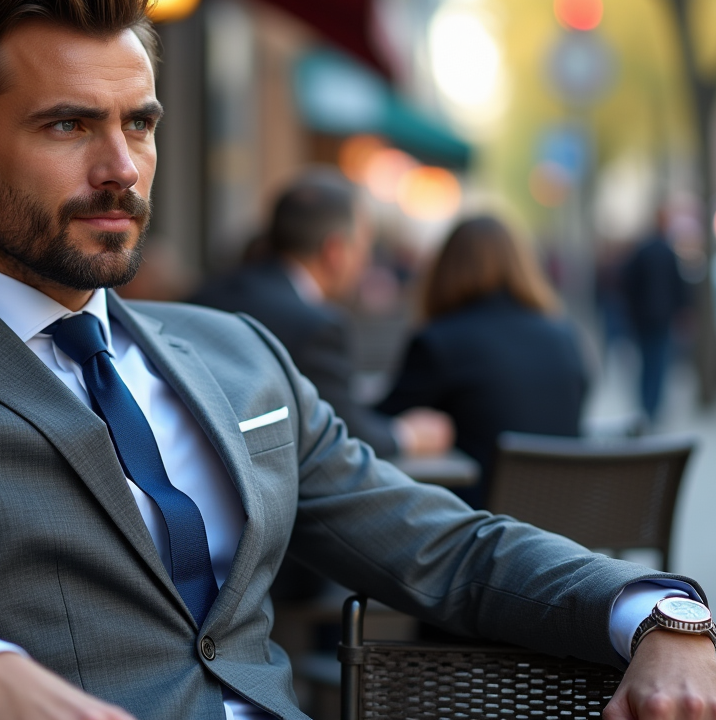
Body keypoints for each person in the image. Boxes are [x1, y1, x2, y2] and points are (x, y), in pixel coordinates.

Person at [0, 0, 716, 720]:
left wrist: (657, 611)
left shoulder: (236, 354)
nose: (120, 167)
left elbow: (449, 549)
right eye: (67, 125)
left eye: (137, 122)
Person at [190, 170, 453, 461]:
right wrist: (408, 434)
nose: (365, 262)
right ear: (335, 251)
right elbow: (346, 438)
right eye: (363, 247)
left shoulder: (200, 296)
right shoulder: (316, 328)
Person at [378, 215, 588, 508]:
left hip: (476, 533)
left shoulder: (440, 341)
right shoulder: (565, 337)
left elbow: (381, 428)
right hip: (565, 533)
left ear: (444, 269)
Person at [622, 209, 689, 424]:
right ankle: (652, 407)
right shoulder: (667, 252)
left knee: (648, 362)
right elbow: (678, 285)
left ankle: (646, 406)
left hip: (645, 317)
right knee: (658, 363)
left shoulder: (643, 250)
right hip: (661, 317)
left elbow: (628, 283)